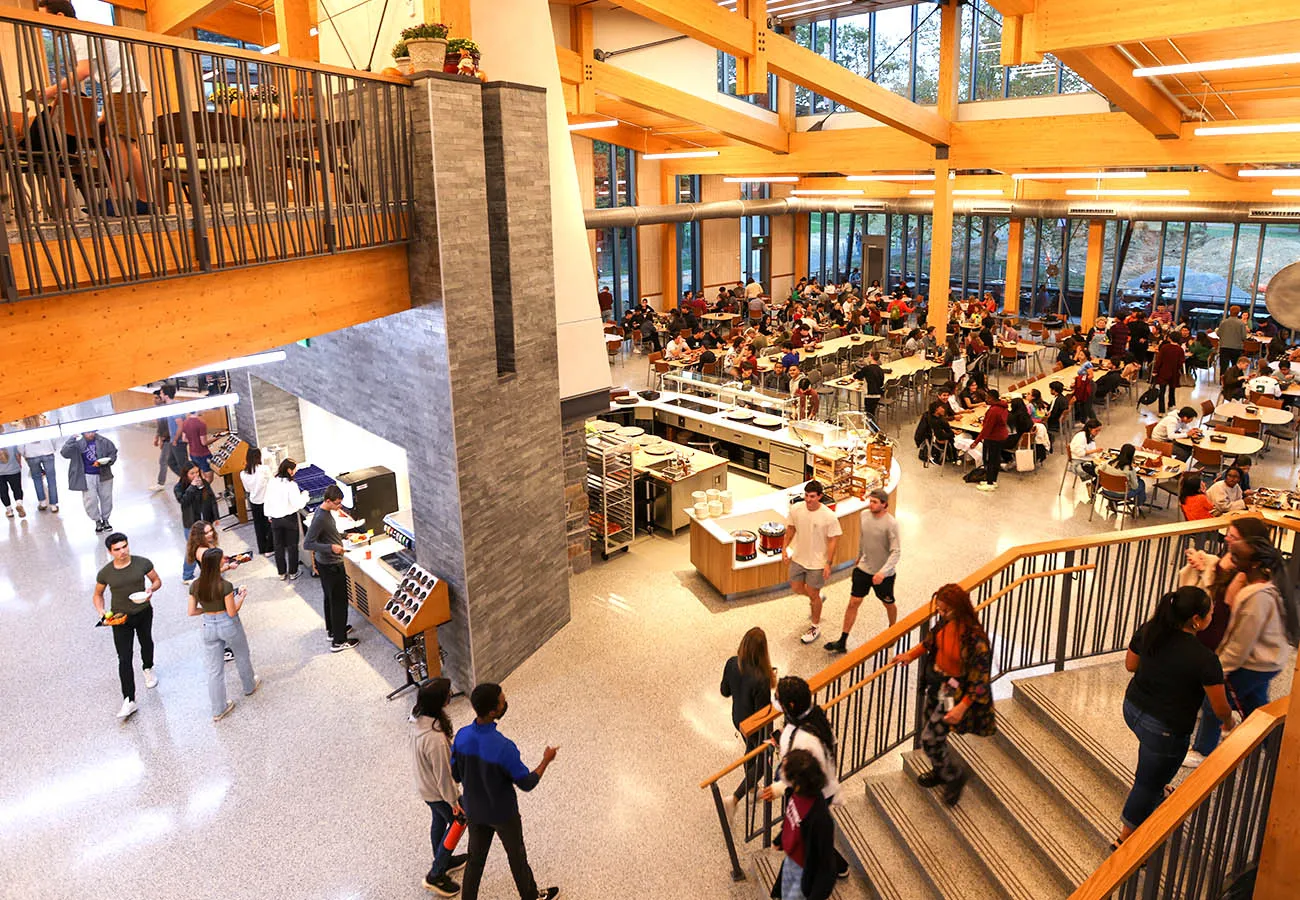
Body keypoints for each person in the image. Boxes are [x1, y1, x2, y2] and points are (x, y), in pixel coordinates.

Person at [1114, 586, 1235, 848]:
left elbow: (1131, 665)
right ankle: (1124, 841)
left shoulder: (1150, 630)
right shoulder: (1205, 660)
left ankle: (1157, 785)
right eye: (1211, 613)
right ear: (1196, 620)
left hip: (1132, 708)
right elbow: (1219, 706)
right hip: (1165, 730)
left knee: (1152, 762)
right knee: (1148, 783)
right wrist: (1229, 724)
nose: (1212, 616)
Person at [1184, 536, 1293, 768]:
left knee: (1214, 702)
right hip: (1268, 660)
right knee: (1256, 707)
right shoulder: (1262, 585)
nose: (1230, 560)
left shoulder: (1257, 598)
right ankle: (1276, 751)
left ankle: (1203, 749)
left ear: (1253, 564)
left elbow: (1241, 643)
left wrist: (1219, 670)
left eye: (1236, 557)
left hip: (1254, 663)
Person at [37, 0, 153, 216]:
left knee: (119, 143)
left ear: (60, 17)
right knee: (126, 144)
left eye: (46, 18)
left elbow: (83, 72)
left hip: (123, 88)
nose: (45, 25)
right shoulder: (84, 31)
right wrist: (104, 116)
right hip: (121, 88)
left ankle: (117, 201)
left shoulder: (78, 32)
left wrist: (50, 91)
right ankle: (143, 201)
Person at [451, 683, 560, 900]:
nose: (505, 703)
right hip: (503, 814)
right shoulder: (504, 747)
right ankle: (530, 896)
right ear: (493, 712)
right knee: (516, 857)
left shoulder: (461, 737)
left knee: (475, 860)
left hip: (474, 810)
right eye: (502, 701)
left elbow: (455, 775)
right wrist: (545, 761)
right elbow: (527, 783)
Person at [889, 584, 994, 806]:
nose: (941, 614)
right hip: (937, 683)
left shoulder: (975, 639)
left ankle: (954, 774)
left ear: (959, 609)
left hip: (952, 688)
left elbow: (980, 680)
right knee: (929, 724)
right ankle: (939, 770)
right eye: (939, 609)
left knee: (930, 738)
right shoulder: (945, 623)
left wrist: (962, 706)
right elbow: (930, 641)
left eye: (945, 610)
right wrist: (909, 655)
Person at [758, 676, 851, 880]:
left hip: (810, 795)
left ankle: (832, 867)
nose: (775, 701)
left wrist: (781, 788)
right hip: (811, 792)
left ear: (790, 705)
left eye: (778, 698)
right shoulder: (809, 719)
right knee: (809, 835)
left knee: (809, 836)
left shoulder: (806, 740)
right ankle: (836, 865)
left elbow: (808, 775)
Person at [93, 532, 162, 720]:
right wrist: (101, 611)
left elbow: (157, 580)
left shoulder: (142, 563)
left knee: (146, 641)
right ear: (110, 551)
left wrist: (151, 589)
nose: (122, 551)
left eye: (125, 546)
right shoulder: (106, 572)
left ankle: (148, 667)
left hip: (143, 610)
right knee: (124, 657)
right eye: (117, 549)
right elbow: (98, 594)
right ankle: (129, 699)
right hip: (120, 618)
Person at [412, 678, 470, 896]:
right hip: (437, 791)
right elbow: (444, 776)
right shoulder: (435, 739)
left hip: (425, 785)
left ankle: (443, 861)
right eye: (448, 693)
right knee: (459, 821)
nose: (451, 694)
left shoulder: (417, 718)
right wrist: (454, 801)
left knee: (438, 820)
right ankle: (435, 874)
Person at [187, 547, 259, 721]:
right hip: (228, 624)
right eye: (222, 560)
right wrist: (241, 596)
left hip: (208, 626)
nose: (225, 561)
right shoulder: (224, 585)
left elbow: (191, 611)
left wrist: (209, 609)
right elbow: (232, 611)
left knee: (214, 670)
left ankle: (219, 709)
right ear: (216, 564)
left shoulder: (195, 585)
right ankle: (249, 686)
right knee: (241, 655)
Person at [825, 490, 900, 654]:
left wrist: (882, 572)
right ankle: (842, 641)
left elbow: (896, 552)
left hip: (884, 575)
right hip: (864, 569)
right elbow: (863, 538)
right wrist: (859, 556)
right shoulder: (864, 516)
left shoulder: (891, 524)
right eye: (870, 501)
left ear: (884, 504)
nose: (870, 504)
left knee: (888, 604)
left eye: (874, 502)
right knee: (853, 603)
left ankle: (893, 630)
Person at [720, 627, 777, 816]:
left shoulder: (731, 663)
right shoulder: (761, 678)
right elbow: (762, 713)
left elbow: (725, 691)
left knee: (750, 752)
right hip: (756, 726)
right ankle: (735, 798)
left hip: (738, 719)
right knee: (763, 764)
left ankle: (752, 790)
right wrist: (771, 737)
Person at [770, 749, 837, 900]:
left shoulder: (820, 818)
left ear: (798, 780)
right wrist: (780, 840)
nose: (781, 771)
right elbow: (792, 819)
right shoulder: (796, 793)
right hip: (791, 860)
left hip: (804, 871)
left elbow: (826, 867)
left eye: (785, 769)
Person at [783, 481, 842, 645]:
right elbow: (790, 529)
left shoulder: (829, 516)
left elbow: (832, 541)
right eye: (806, 496)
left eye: (812, 496)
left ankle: (815, 627)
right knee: (796, 587)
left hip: (817, 562)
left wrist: (828, 563)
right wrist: (784, 549)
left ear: (820, 497)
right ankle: (817, 597)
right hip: (798, 557)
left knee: (813, 594)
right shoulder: (796, 509)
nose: (808, 500)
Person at [303, 484, 359, 652]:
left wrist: (343, 536)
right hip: (331, 564)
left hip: (326, 563)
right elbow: (308, 543)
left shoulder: (326, 514)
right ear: (328, 501)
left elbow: (327, 535)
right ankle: (339, 641)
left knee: (330, 598)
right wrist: (331, 548)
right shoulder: (320, 517)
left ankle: (334, 630)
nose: (339, 506)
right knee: (339, 601)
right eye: (337, 503)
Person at [61, 430, 117, 532]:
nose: (90, 434)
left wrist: (109, 461)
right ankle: (97, 520)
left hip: (104, 474)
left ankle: (106, 519)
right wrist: (71, 439)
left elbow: (113, 453)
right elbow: (64, 453)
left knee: (106, 497)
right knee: (90, 499)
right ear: (82, 433)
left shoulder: (104, 441)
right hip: (86, 475)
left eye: (92, 432)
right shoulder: (77, 444)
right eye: (87, 432)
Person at [264, 459, 308, 580]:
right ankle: (293, 572)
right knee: (292, 546)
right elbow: (298, 504)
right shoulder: (291, 485)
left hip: (275, 519)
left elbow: (267, 499)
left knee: (278, 546)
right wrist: (305, 496)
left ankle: (282, 573)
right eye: (295, 469)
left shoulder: (272, 482)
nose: (295, 471)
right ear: (289, 470)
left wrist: (269, 515)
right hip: (289, 519)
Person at [177, 464, 218, 582]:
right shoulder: (179, 487)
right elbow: (184, 501)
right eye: (192, 473)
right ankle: (187, 575)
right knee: (194, 549)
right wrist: (192, 487)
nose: (196, 476)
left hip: (205, 521)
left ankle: (211, 572)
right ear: (186, 475)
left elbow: (211, 499)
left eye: (197, 472)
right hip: (191, 524)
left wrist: (215, 516)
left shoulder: (204, 483)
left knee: (209, 546)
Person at [973, 389, 1009, 491]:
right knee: (995, 459)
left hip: (993, 438)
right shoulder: (1003, 407)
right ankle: (993, 480)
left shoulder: (993, 411)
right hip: (1000, 436)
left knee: (990, 460)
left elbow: (987, 428)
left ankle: (990, 483)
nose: (986, 399)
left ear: (992, 398)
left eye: (987, 397)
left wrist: (977, 441)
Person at [20, 415, 58, 512]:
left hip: (31, 455)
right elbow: (54, 437)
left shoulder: (22, 425)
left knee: (37, 478)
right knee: (51, 479)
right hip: (47, 452)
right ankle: (53, 505)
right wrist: (53, 448)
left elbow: (19, 444)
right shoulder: (45, 421)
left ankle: (42, 502)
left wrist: (23, 453)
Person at [240, 447, 274, 556]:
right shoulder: (264, 469)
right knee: (269, 526)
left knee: (259, 526)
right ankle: (270, 549)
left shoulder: (243, 473)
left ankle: (262, 548)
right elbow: (272, 483)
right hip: (266, 501)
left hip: (254, 501)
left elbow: (247, 490)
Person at [1099, 443, 1148, 509]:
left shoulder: (1109, 462)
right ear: (1132, 456)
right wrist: (1135, 479)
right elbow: (1135, 487)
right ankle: (1138, 505)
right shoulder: (1130, 469)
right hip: (1122, 494)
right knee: (1141, 483)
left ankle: (1113, 502)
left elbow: (1098, 471)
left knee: (1116, 482)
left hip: (1106, 490)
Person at [151, 385, 180, 490]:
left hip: (170, 439)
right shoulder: (158, 410)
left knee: (164, 460)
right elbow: (160, 425)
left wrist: (164, 439)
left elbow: (170, 426)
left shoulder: (168, 409)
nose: (154, 400)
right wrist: (157, 436)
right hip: (166, 438)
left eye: (157, 397)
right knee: (172, 460)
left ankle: (161, 482)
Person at [1152, 334, 1184, 414]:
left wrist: (1155, 370)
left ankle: (1161, 411)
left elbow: (1159, 360)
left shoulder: (1164, 347)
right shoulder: (1180, 349)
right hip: (1174, 373)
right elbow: (1181, 363)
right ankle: (1171, 405)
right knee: (1172, 389)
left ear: (1170, 338)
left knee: (1162, 392)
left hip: (1163, 372)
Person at [179, 411, 215, 479]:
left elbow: (184, 439)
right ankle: (203, 489)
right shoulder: (201, 424)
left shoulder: (185, 422)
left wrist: (194, 441)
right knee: (209, 478)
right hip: (203, 453)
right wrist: (216, 438)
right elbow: (204, 443)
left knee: (200, 474)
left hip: (192, 453)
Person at [1069, 418, 1105, 482]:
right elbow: (1080, 453)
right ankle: (1094, 488)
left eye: (1099, 431)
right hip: (1079, 461)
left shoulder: (1089, 436)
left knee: (1104, 469)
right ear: (1089, 429)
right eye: (1096, 431)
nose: (1098, 433)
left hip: (1085, 459)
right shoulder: (1081, 436)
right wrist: (1095, 451)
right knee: (1101, 473)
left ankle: (1095, 487)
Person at [1216, 306, 1248, 376]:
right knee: (1236, 366)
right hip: (1237, 348)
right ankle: (1234, 380)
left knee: (1223, 366)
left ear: (1229, 312)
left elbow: (1218, 334)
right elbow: (1244, 337)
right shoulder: (1241, 323)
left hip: (1224, 347)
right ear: (1239, 313)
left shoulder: (1223, 322)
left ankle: (1223, 381)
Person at [0, 436, 24, 519]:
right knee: (17, 488)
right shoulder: (9, 438)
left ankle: (9, 510)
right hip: (13, 469)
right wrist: (19, 464)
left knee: (3, 492)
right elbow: (17, 454)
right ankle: (19, 504)